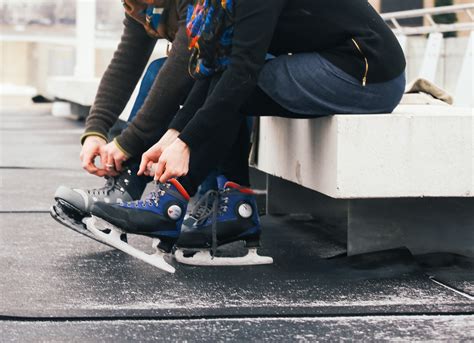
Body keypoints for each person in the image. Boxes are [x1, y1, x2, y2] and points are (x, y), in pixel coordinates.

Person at [86, 0, 407, 272]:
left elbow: (243, 72)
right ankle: (194, 206)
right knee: (228, 82)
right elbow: (216, 67)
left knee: (242, 87)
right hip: (330, 62)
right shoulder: (216, 5)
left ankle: (171, 206)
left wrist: (186, 141)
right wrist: (173, 134)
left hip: (368, 74)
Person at [51, 0, 196, 241]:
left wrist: (128, 142)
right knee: (160, 70)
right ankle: (126, 189)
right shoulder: (140, 6)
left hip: (242, 75)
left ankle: (220, 200)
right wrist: (96, 129)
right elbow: (126, 63)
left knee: (179, 74)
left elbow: (184, 62)